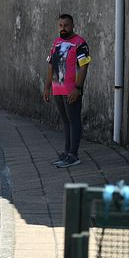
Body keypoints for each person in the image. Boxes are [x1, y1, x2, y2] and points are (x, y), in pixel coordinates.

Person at [43, 14, 91, 168]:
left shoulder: (80, 43)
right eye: (61, 26)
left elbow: (84, 66)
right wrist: (47, 86)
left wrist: (78, 88)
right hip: (57, 89)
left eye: (66, 26)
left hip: (72, 90)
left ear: (73, 26)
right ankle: (66, 152)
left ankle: (74, 155)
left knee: (74, 120)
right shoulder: (56, 43)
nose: (63, 28)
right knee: (65, 121)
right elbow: (50, 65)